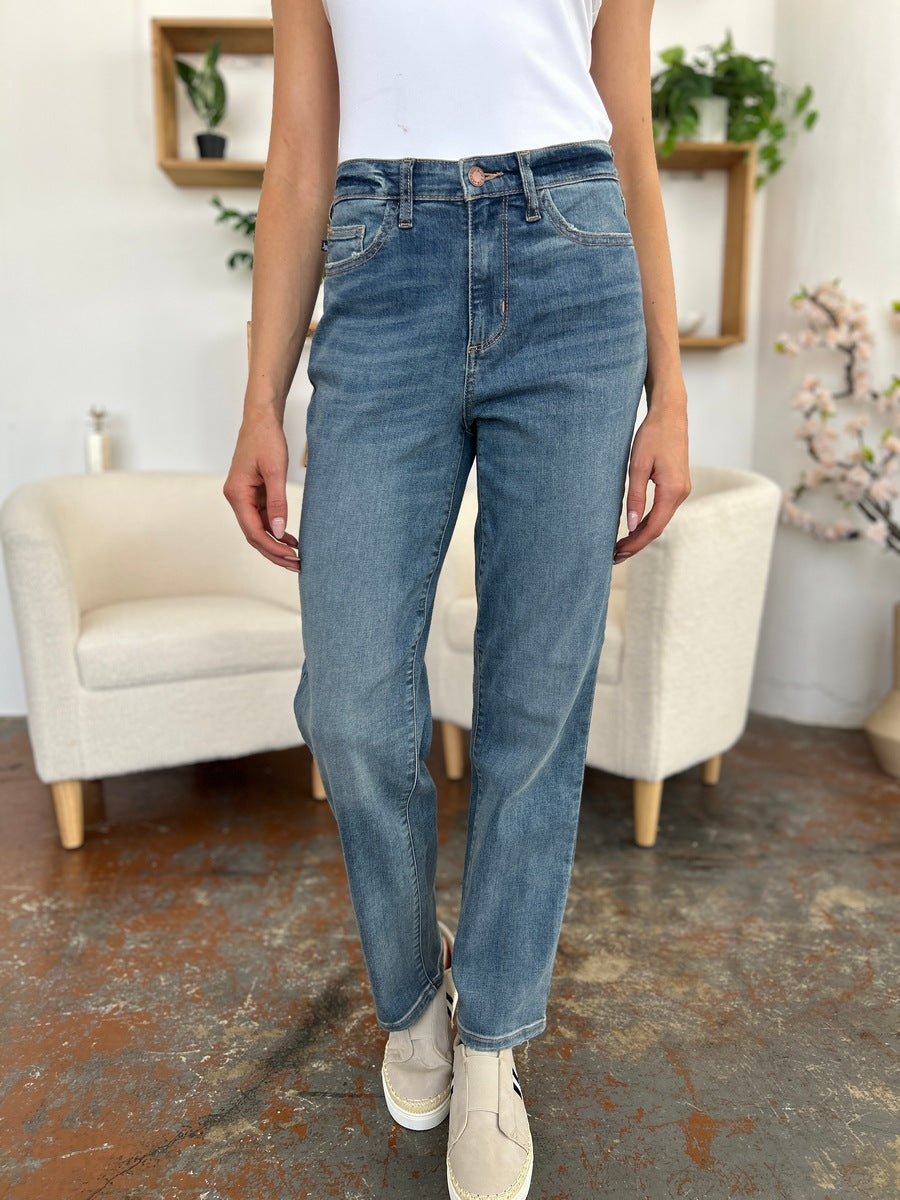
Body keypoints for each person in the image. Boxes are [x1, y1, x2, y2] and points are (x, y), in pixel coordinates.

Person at [224, 1, 690, 1196]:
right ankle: (411, 988)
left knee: (537, 703)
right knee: (349, 703)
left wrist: (671, 395)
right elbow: (296, 152)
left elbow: (628, 136)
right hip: (383, 267)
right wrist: (260, 400)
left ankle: (491, 1041)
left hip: (577, 264)